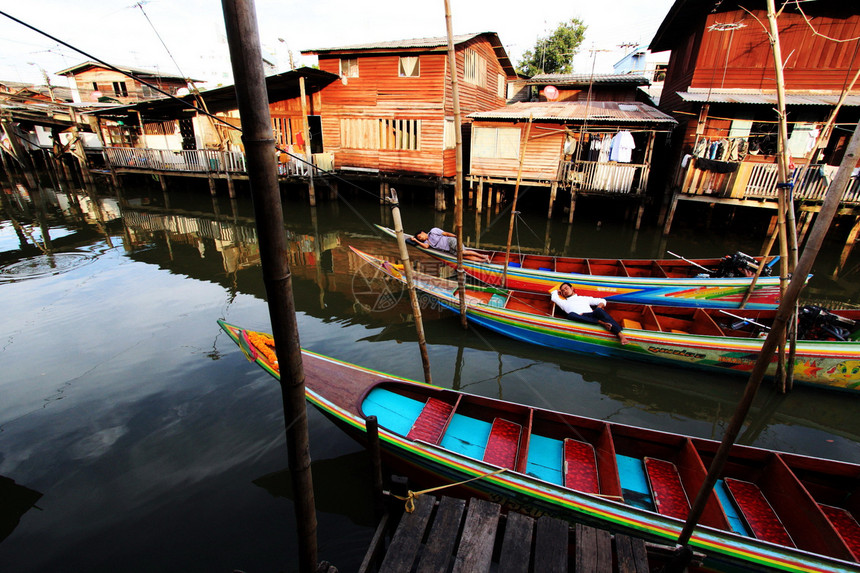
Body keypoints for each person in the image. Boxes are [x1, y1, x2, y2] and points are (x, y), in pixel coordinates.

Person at [550, 282, 628, 344]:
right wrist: (557, 291)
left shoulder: (584, 298)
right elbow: (554, 297)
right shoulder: (564, 302)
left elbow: (602, 300)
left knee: (598, 311)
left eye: (566, 288)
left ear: (572, 288)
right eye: (563, 291)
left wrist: (599, 307)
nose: (565, 291)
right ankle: (602, 323)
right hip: (579, 317)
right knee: (571, 315)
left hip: (592, 315)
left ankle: (620, 334)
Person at [412, 228, 490, 262]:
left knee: (462, 252)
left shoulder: (433, 231)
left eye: (420, 236)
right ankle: (483, 260)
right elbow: (425, 247)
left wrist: (456, 236)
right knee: (463, 257)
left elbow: (445, 233)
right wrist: (416, 240)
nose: (421, 238)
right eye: (419, 239)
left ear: (422, 232)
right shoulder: (426, 242)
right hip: (449, 250)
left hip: (450, 241)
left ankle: (483, 256)